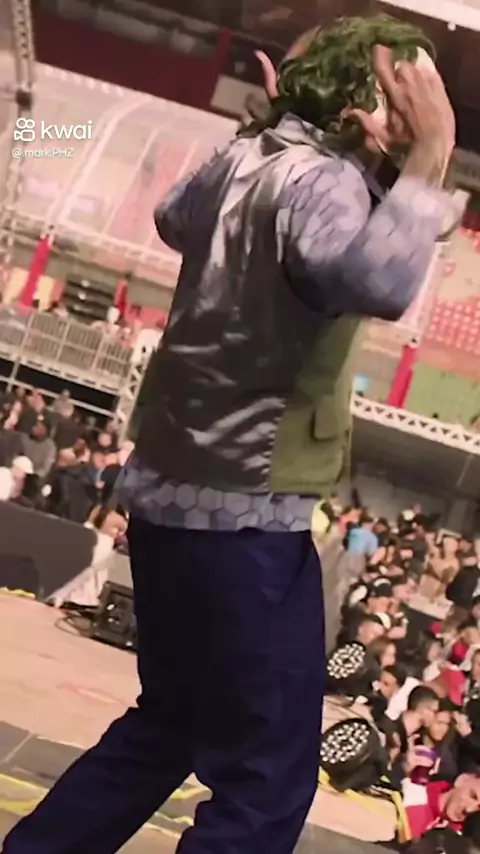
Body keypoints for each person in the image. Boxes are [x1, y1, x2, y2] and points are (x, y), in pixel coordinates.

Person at [3, 14, 458, 854]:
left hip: (167, 495)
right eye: (404, 95)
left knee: (169, 724)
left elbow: (175, 216)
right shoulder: (327, 183)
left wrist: (296, 130)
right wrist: (428, 158)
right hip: (248, 514)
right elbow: (378, 279)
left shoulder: (249, 158)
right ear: (363, 102)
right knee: (264, 781)